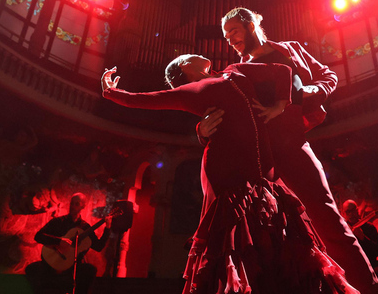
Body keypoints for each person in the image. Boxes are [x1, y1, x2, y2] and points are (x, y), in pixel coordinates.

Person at [101, 57, 358, 294]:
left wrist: (281, 103)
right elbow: (145, 99)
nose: (193, 54)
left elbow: (282, 71)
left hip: (264, 174)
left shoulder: (235, 70)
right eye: (186, 58)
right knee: (239, 242)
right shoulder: (191, 91)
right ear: (184, 71)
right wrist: (111, 91)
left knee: (279, 243)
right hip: (226, 169)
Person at [198, 7, 378, 294]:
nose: (229, 39)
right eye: (225, 35)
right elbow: (216, 108)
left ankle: (370, 290)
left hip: (293, 146)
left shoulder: (290, 50)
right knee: (272, 238)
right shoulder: (234, 72)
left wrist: (309, 92)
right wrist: (201, 130)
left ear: (249, 25)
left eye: (233, 31)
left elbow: (328, 77)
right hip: (256, 161)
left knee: (329, 222)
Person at [25, 193, 111, 294]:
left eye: (77, 204)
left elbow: (98, 246)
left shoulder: (85, 227)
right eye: (72, 203)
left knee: (90, 270)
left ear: (83, 206)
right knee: (33, 270)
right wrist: (59, 241)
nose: (73, 206)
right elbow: (38, 236)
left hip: (72, 266)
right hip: (54, 262)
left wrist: (107, 228)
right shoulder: (58, 222)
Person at [340, 200, 378, 275]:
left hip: (371, 266)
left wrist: (363, 238)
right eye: (348, 212)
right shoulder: (342, 230)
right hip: (353, 269)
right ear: (343, 214)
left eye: (353, 210)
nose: (351, 214)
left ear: (357, 210)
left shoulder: (369, 227)